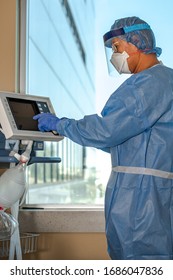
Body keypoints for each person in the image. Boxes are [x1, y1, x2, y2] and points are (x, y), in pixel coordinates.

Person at [33, 16, 173, 260]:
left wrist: (62, 125)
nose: (113, 56)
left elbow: (107, 130)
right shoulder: (166, 80)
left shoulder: (145, 86)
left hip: (141, 200)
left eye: (117, 47)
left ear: (137, 42)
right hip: (158, 196)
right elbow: (133, 141)